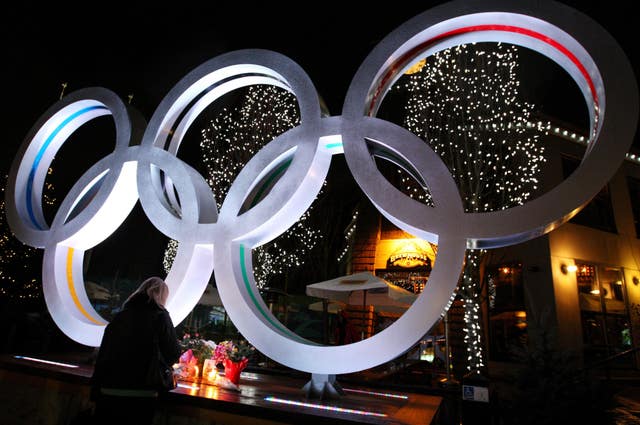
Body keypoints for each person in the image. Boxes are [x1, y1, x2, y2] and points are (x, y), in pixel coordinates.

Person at [90, 276, 180, 425]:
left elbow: (103, 353)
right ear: (162, 296)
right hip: (141, 393)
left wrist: (95, 393)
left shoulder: (120, 316)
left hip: (107, 391)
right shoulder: (160, 316)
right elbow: (173, 354)